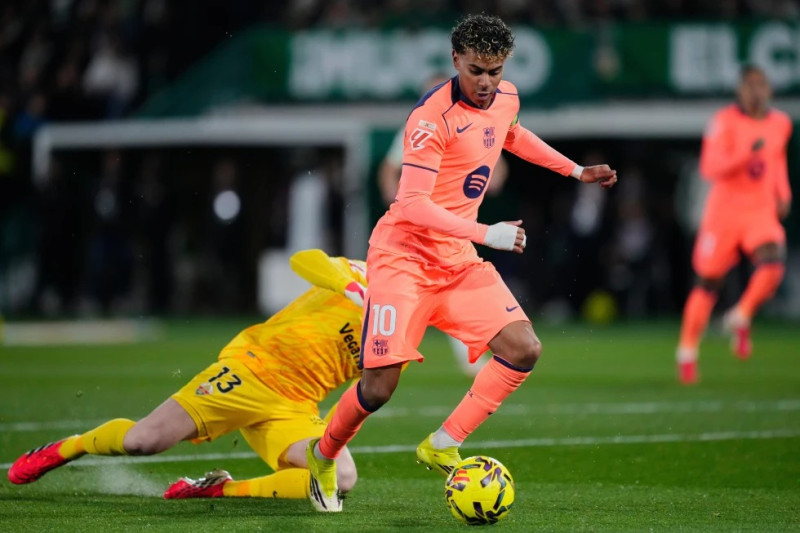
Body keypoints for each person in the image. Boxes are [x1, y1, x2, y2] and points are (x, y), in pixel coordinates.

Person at [305, 13, 617, 512]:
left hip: (454, 259)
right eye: (476, 70)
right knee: (379, 388)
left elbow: (511, 134)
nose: (487, 83)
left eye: (495, 71)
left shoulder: (506, 97)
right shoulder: (430, 119)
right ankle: (322, 454)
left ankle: (444, 442)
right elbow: (411, 205)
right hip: (403, 259)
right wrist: (484, 232)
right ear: (455, 61)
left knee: (524, 348)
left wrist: (575, 171)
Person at [8, 249, 367, 513]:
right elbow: (303, 260)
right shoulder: (366, 275)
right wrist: (351, 288)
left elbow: (364, 394)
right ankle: (71, 446)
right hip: (252, 371)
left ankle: (217, 489)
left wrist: (329, 435)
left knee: (341, 477)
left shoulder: (401, 329)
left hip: (295, 408)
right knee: (143, 440)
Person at [378, 73, 509, 377]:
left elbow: (497, 169)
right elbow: (388, 170)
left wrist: (478, 187)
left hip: (453, 226)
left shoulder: (472, 123)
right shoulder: (419, 126)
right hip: (420, 227)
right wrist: (400, 201)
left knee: (454, 285)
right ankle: (381, 345)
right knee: (408, 288)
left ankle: (468, 355)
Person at [676, 64, 792, 385]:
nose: (756, 91)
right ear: (741, 90)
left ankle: (740, 314)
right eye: (750, 85)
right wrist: (744, 153)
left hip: (759, 210)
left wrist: (784, 191)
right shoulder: (723, 122)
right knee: (707, 284)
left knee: (773, 262)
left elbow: (777, 159)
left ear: (768, 89)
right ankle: (687, 353)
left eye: (761, 84)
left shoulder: (780, 123)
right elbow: (709, 167)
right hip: (724, 214)